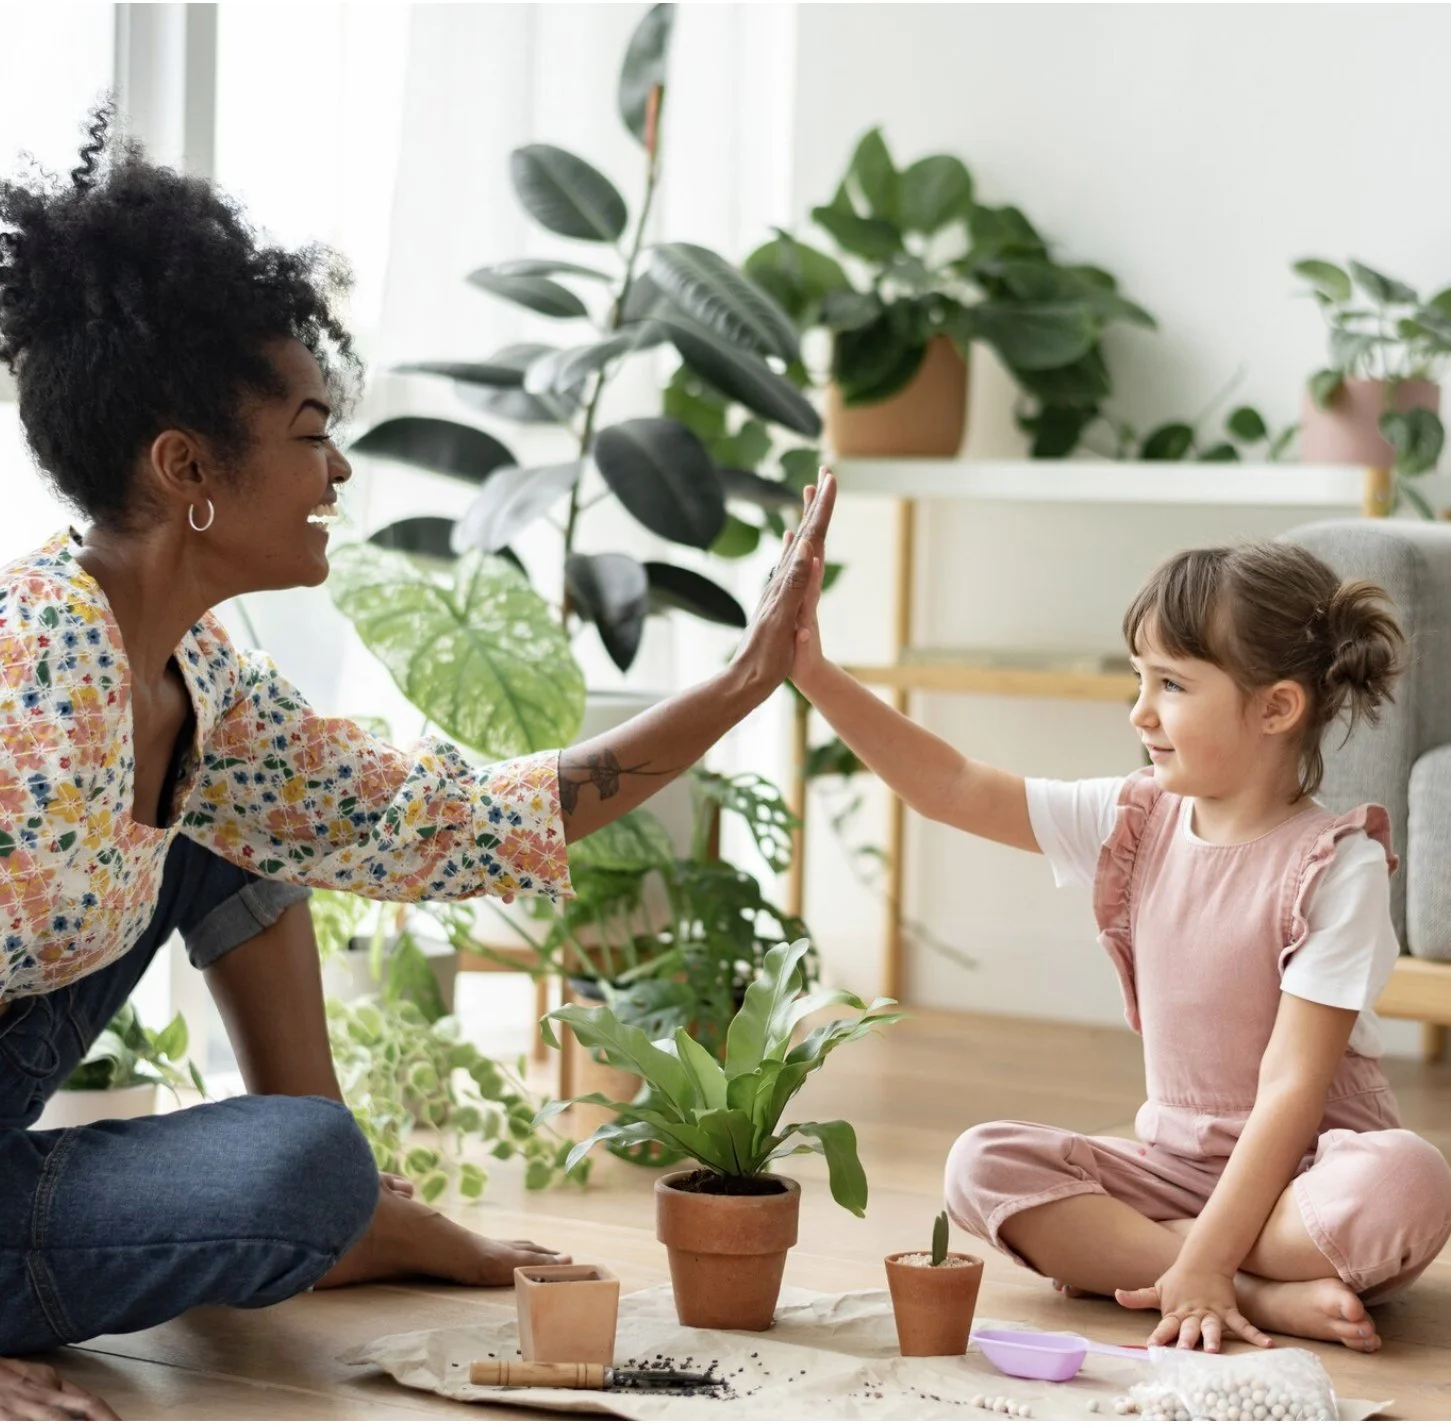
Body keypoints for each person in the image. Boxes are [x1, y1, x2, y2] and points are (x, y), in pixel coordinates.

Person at [0, 108, 835, 1417]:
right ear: (186, 472)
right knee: (300, 1176)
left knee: (248, 872)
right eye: (309, 432)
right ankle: (330, 1220)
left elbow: (443, 818)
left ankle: (343, 1221)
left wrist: (741, 685)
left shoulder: (193, 679)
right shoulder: (23, 694)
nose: (337, 468)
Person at [793, 533, 1451, 1357]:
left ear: (1276, 708)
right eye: (1137, 679)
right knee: (981, 1164)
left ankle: (1167, 1261)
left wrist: (1202, 1245)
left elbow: (1288, 1090)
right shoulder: (1132, 819)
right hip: (1169, 1170)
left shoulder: (1336, 867)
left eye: (1170, 684)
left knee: (1408, 1182)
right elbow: (952, 787)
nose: (1138, 711)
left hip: (1307, 1178)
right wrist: (813, 672)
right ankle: (1256, 1295)